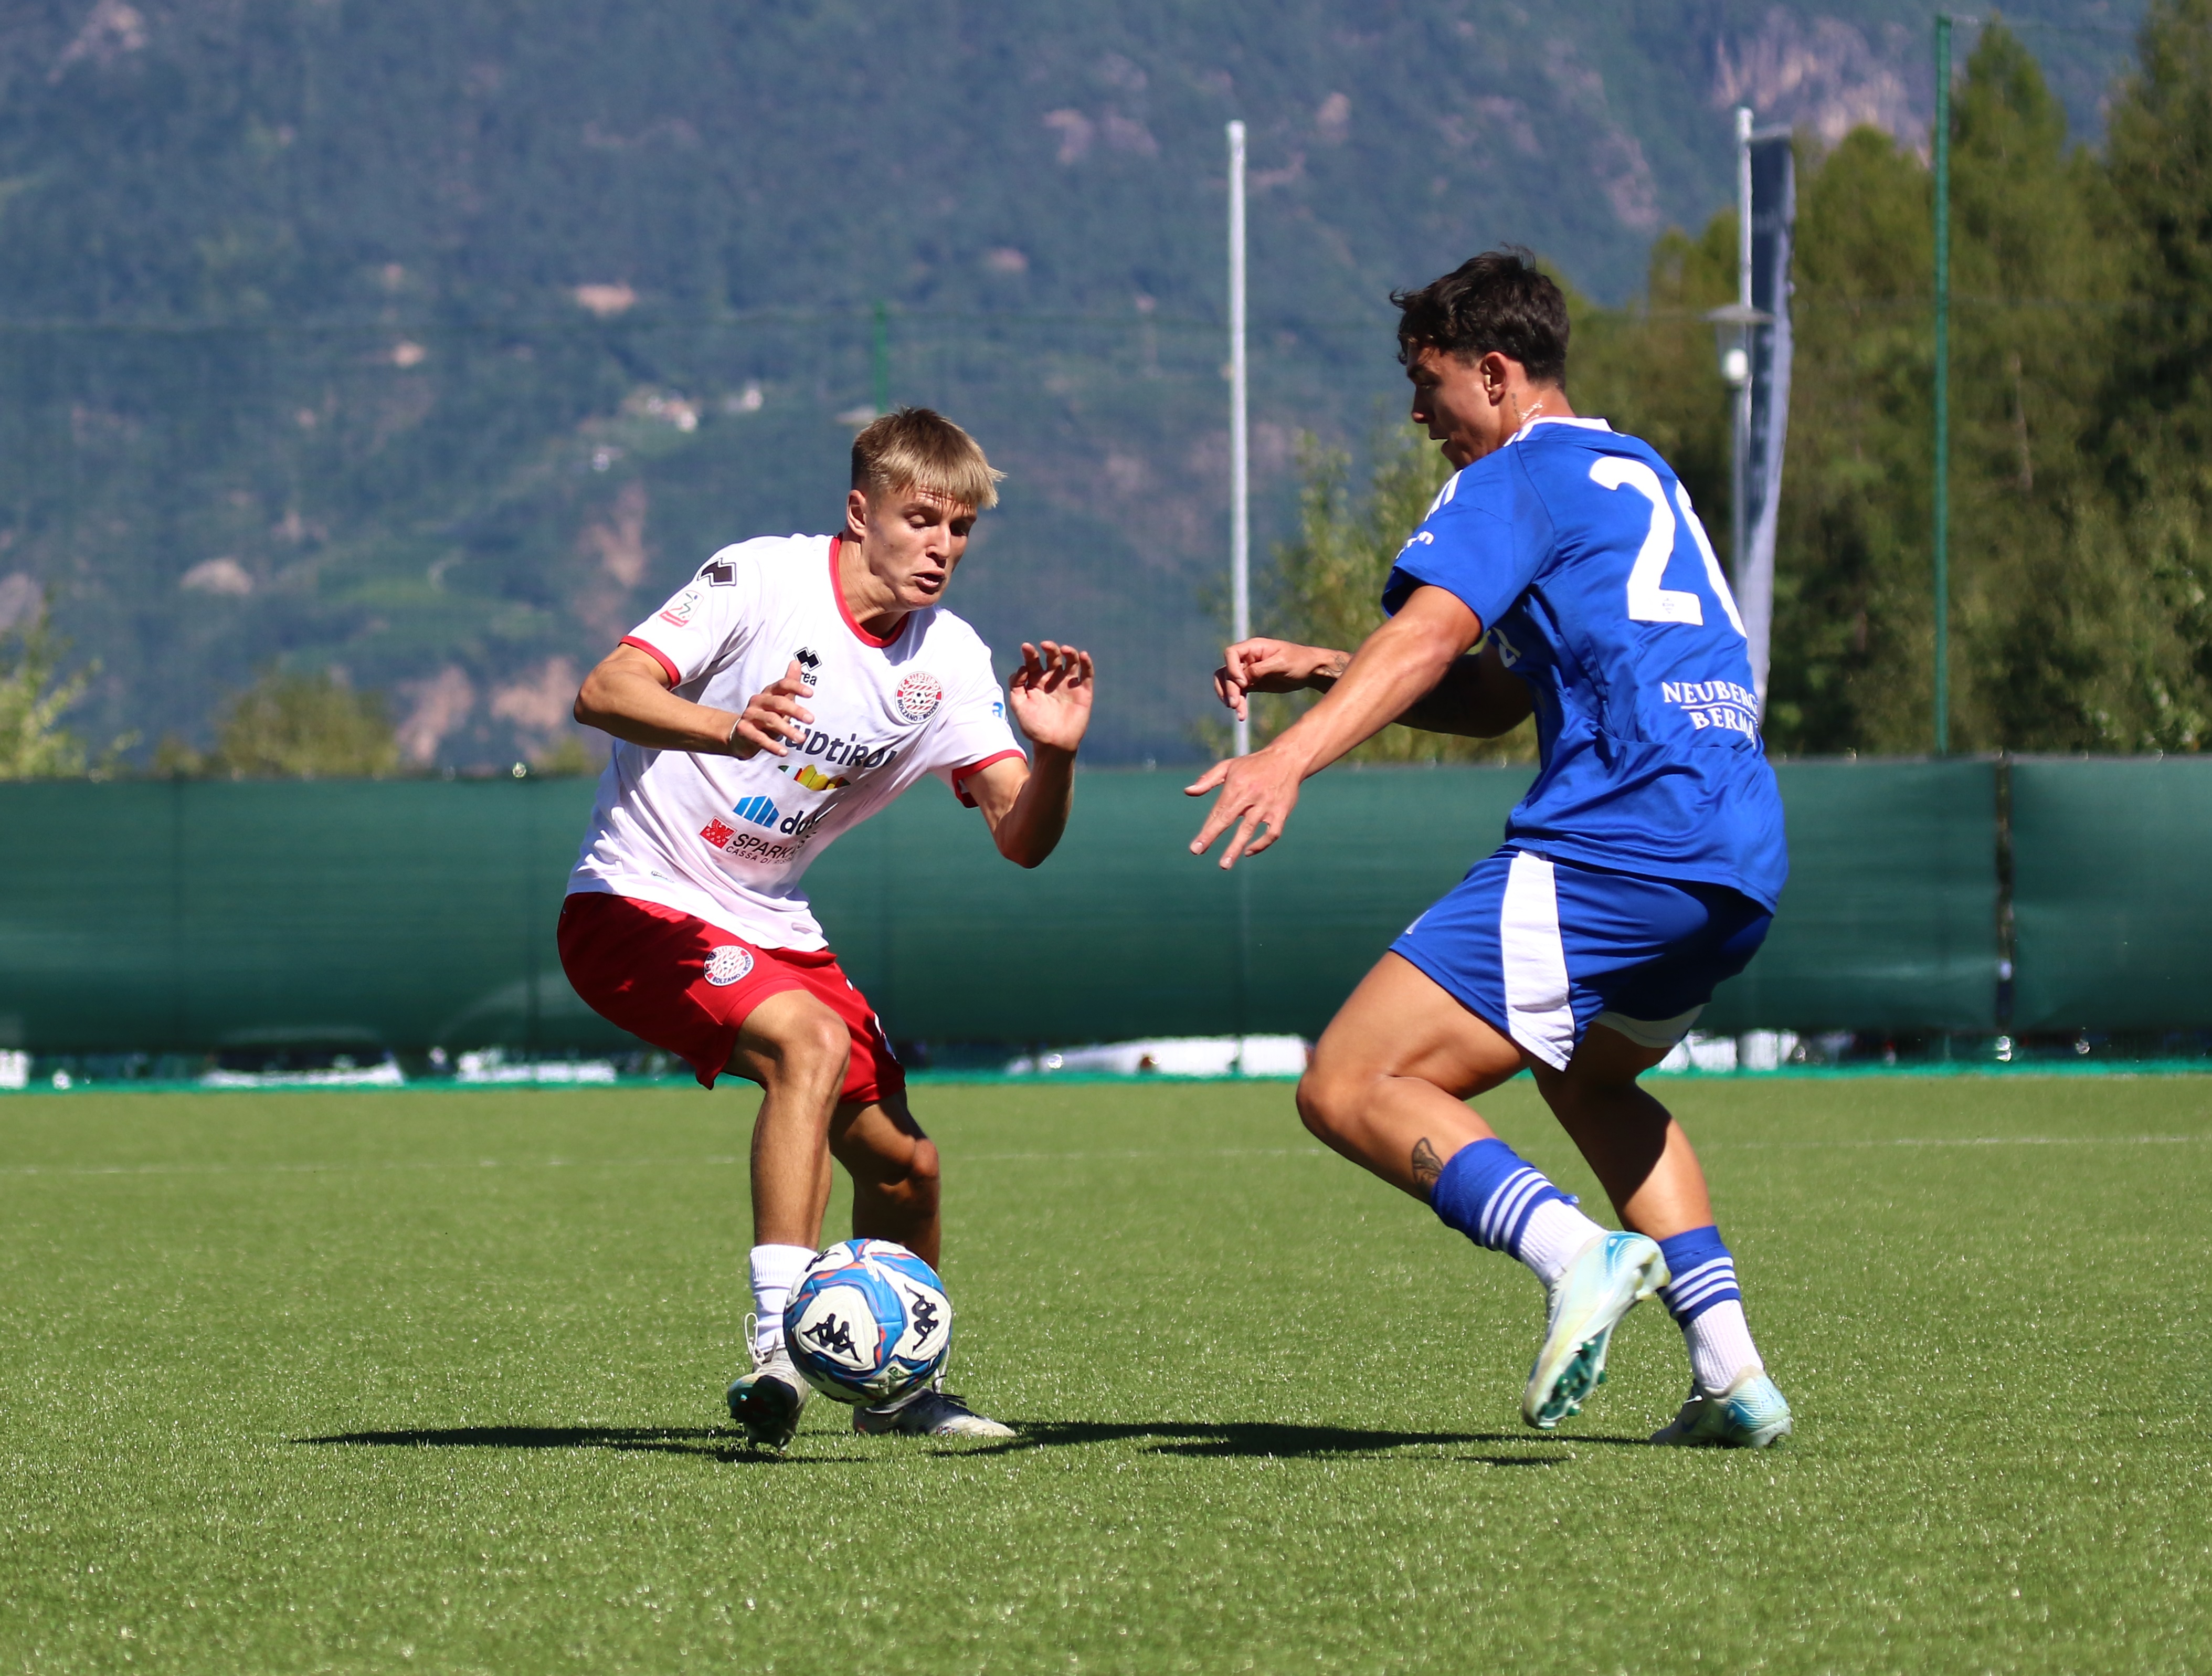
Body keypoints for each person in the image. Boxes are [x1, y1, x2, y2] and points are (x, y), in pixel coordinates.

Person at [1191, 250, 1792, 1448]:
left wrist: (1287, 756)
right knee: (1587, 1076)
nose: (1419, 416)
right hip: (1735, 851)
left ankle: (1577, 1253)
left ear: (1498, 374)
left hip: (1616, 839)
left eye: (1428, 385)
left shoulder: (1512, 474)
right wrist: (1325, 663)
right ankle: (1732, 1375)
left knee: (1346, 1081)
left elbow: (1426, 635)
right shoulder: (1635, 471)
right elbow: (1497, 695)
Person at [562, 407, 1094, 1448]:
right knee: (806, 1039)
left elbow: (1019, 838)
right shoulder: (761, 579)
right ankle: (776, 1348)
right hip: (631, 901)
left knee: (907, 1169)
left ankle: (900, 1397)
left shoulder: (948, 660)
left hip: (770, 925)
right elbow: (603, 690)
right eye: (919, 519)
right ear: (860, 512)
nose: (941, 546)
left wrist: (1057, 756)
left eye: (961, 529)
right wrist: (726, 723)